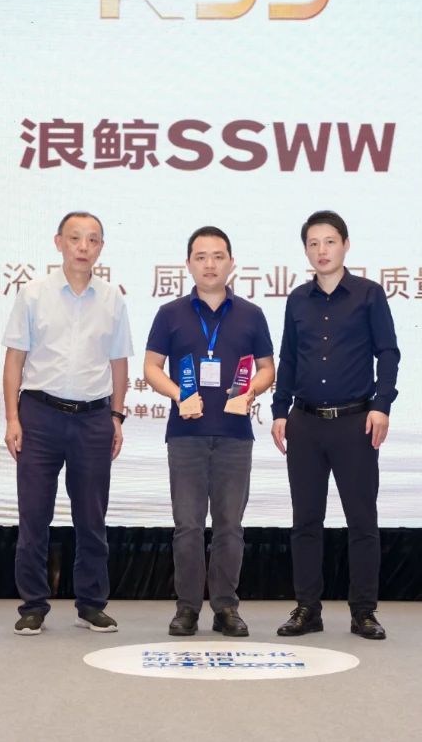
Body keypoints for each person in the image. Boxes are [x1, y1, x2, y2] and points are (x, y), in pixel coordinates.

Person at [270, 210, 400, 640]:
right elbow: (289, 359)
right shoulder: (297, 300)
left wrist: (382, 405)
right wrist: (279, 410)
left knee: (361, 521)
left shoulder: (368, 295)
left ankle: (363, 612)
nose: (321, 251)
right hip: (305, 423)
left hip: (355, 423)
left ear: (345, 245)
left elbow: (388, 353)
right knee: (305, 521)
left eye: (329, 242)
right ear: (305, 251)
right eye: (313, 244)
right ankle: (308, 609)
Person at [2, 211, 133, 636]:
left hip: (94, 418)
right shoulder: (33, 294)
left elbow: (119, 363)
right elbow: (15, 359)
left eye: (92, 239)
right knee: (34, 517)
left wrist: (116, 416)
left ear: (101, 248)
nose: (83, 247)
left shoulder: (112, 299)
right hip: (39, 416)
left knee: (92, 518)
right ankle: (33, 605)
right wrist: (12, 418)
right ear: (59, 242)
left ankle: (91, 604)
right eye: (75, 238)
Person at [144, 226, 275, 637]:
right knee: (187, 526)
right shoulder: (170, 313)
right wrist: (178, 395)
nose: (210, 264)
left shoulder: (251, 314)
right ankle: (186, 609)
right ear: (188, 264)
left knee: (229, 527)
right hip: (186, 436)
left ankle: (225, 608)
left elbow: (267, 369)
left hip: (235, 436)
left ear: (231, 263)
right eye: (201, 257)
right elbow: (151, 367)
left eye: (218, 256)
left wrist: (251, 391)